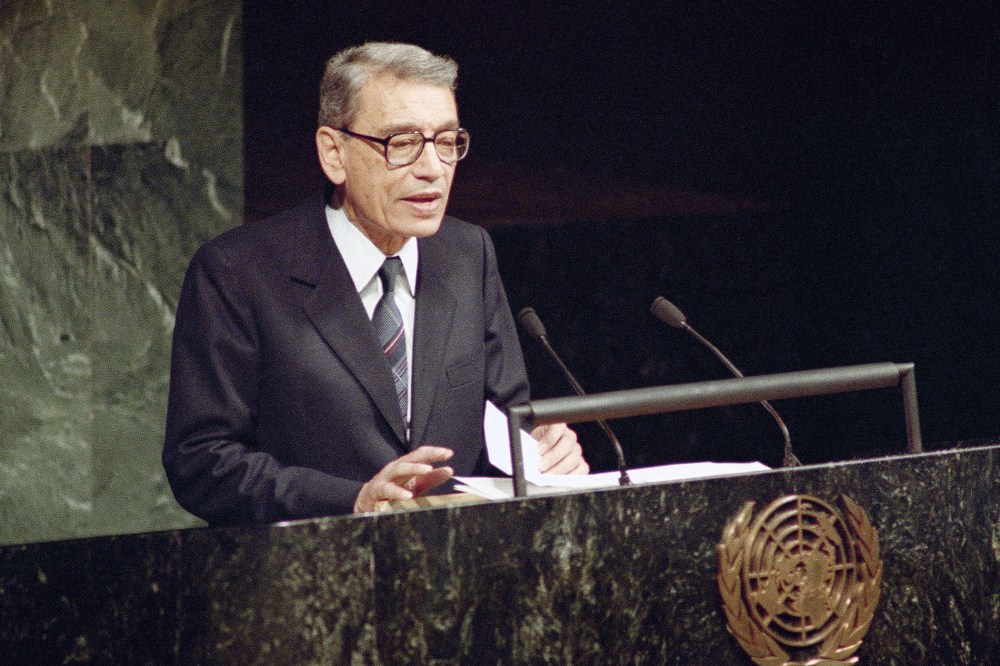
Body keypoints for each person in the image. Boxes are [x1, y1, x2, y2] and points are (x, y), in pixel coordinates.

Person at [163, 42, 588, 523]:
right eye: (402, 143)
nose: (432, 168)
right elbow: (201, 459)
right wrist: (351, 500)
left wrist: (540, 450)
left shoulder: (468, 253)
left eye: (447, 142)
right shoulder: (237, 272)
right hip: (310, 576)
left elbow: (507, 415)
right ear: (334, 153)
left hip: (454, 570)